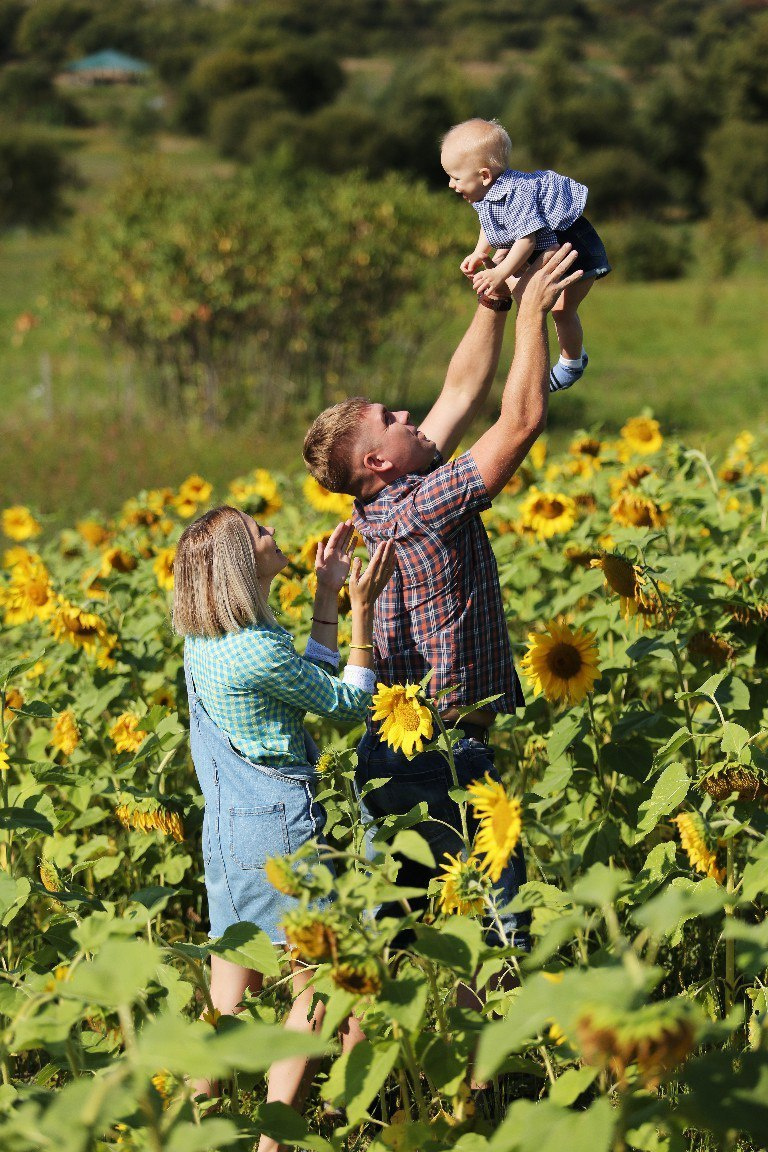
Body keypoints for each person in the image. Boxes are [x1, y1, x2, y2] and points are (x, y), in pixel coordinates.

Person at [302, 245, 583, 953]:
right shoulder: (426, 507)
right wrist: (531, 313)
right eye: (391, 416)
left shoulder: (384, 503)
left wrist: (491, 301)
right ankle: (496, 1030)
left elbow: (460, 391)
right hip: (442, 754)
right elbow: (518, 423)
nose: (408, 412)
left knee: (402, 938)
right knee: (501, 930)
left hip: (394, 751)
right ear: (378, 461)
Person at [172, 505, 394, 1150]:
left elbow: (305, 681)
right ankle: (273, 1145)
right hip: (278, 831)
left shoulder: (208, 641)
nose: (273, 534)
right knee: (318, 990)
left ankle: (192, 1131)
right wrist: (360, 611)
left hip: (226, 833)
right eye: (259, 532)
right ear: (241, 562)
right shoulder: (257, 648)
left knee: (227, 997)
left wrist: (325, 593)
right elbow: (347, 702)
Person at [441, 117, 611, 392]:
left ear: (484, 175)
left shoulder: (517, 194)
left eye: (456, 178)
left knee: (562, 310)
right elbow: (488, 222)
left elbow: (527, 241)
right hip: (547, 248)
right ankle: (566, 355)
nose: (451, 184)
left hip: (574, 248)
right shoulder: (485, 193)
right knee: (528, 294)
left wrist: (500, 272)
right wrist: (479, 251)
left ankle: (572, 363)